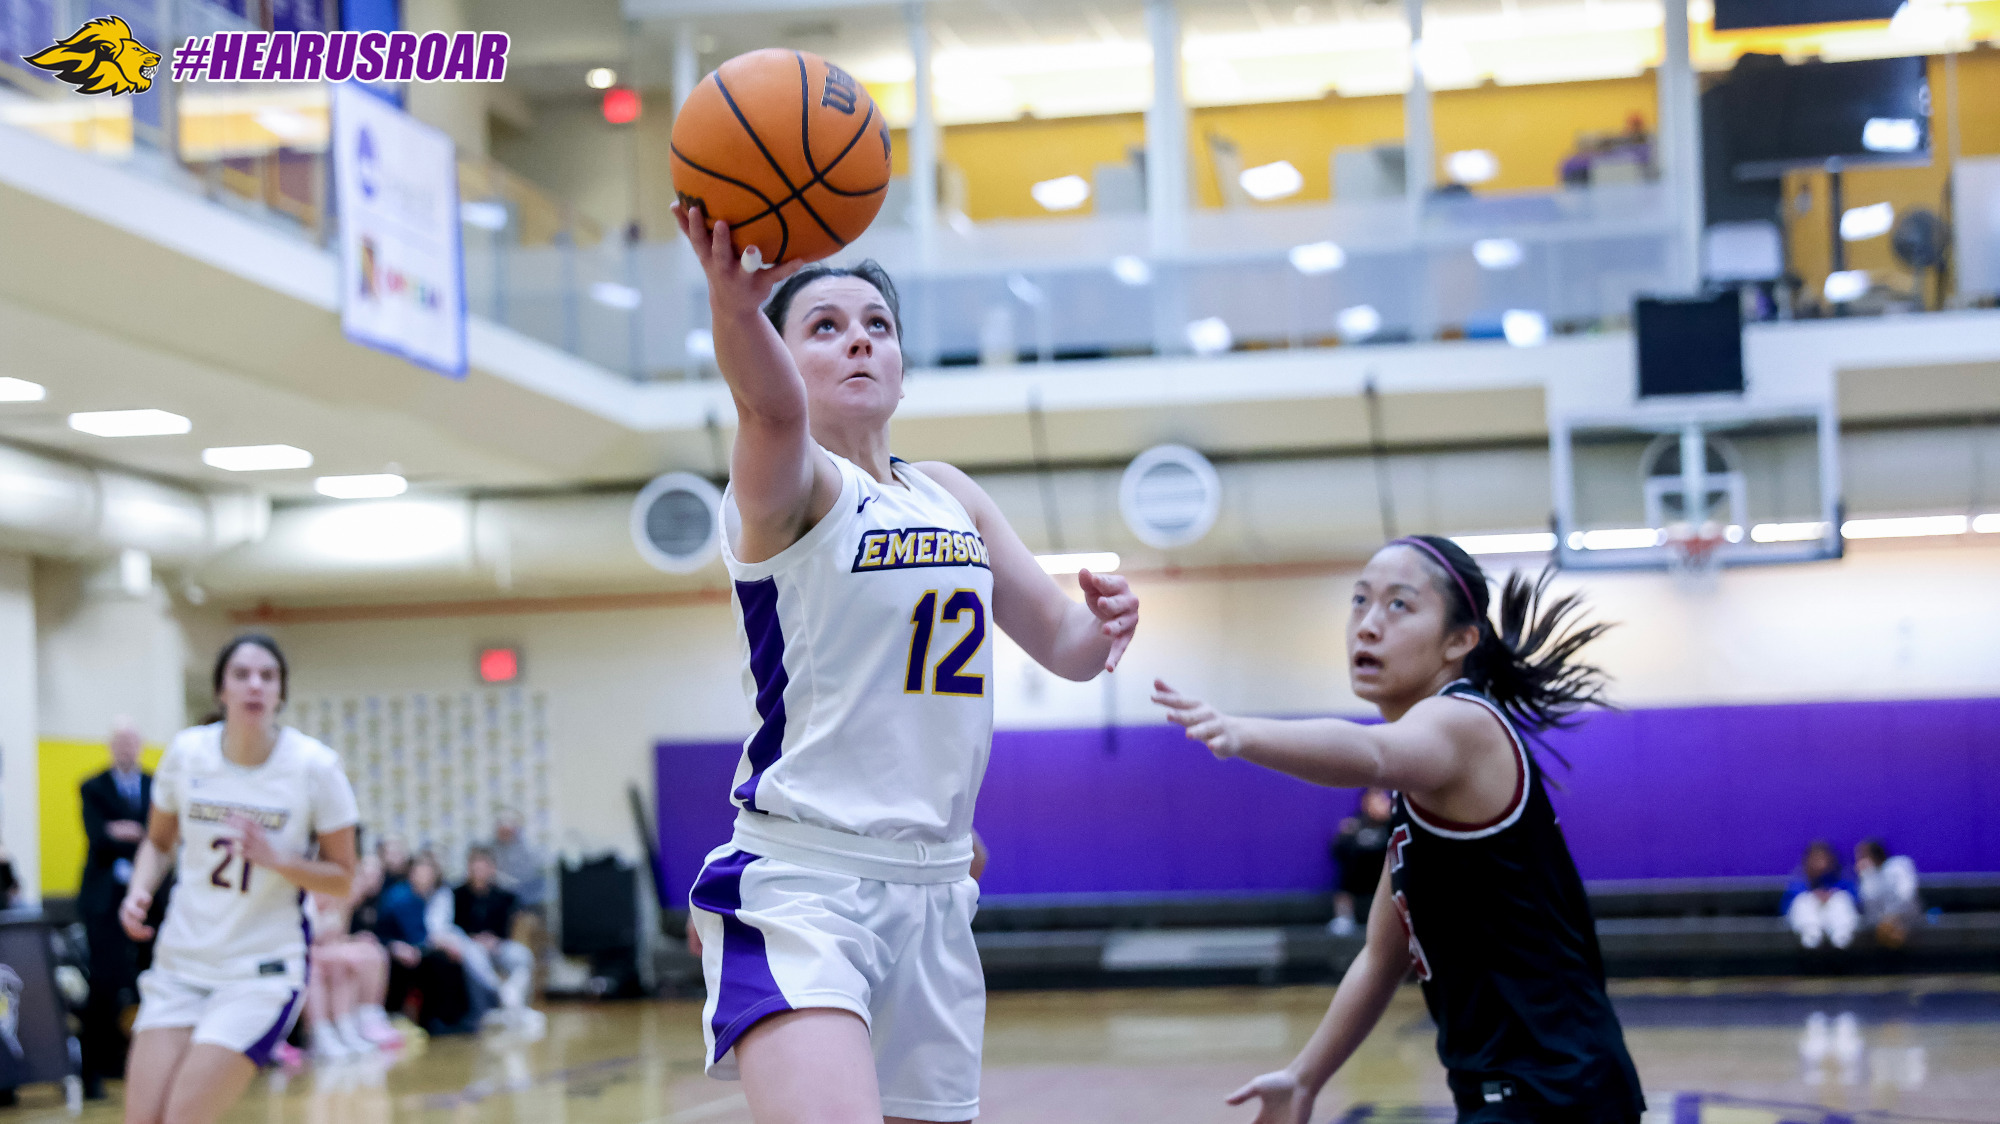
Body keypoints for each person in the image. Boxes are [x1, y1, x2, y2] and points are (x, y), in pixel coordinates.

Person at [673, 201, 1139, 1124]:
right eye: (825, 327)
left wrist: (1108, 623)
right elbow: (768, 406)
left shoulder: (948, 492)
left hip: (936, 894)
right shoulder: (793, 486)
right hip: (802, 883)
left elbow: (1063, 643)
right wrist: (733, 307)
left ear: (902, 367)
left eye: (877, 328)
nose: (858, 342)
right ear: (782, 355)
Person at [1153, 535, 1644, 1124]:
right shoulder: (1423, 794)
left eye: (1398, 605)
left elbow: (1370, 752)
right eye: (1359, 601)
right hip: (1521, 1091)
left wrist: (1241, 732)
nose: (1366, 625)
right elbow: (1381, 959)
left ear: (1460, 641)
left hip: (1556, 1094)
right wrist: (1304, 1078)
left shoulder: (1464, 724)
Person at [117, 635, 360, 1124]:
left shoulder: (315, 767)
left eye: (267, 676)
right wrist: (139, 888)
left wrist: (278, 859)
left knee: (182, 1118)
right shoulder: (187, 753)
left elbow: (343, 878)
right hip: (182, 963)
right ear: (220, 690)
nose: (255, 685)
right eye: (242, 674)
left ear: (280, 694)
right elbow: (158, 843)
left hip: (260, 973)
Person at [79, 720, 154, 1096]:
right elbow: (99, 837)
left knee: (151, 980)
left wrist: (127, 831)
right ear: (111, 746)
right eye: (119, 741)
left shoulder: (154, 786)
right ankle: (94, 1072)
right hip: (104, 902)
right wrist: (131, 835)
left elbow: (158, 837)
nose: (126, 747)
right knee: (104, 983)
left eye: (132, 740)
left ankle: (144, 1065)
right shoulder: (93, 786)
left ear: (139, 745)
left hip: (149, 900)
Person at [374, 855, 475, 1034]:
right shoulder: (401, 897)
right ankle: (434, 1020)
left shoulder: (430, 896)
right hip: (395, 948)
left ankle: (453, 1017)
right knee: (438, 961)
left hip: (414, 947)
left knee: (452, 959)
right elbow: (415, 936)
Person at [441, 847, 538, 1031]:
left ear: (492, 869)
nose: (479, 872)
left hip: (499, 945)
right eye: (475, 867)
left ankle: (516, 1003)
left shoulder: (504, 895)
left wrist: (495, 940)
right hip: (469, 945)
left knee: (521, 955)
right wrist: (474, 939)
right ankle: (484, 1009)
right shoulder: (456, 895)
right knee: (474, 959)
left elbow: (515, 918)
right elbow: (452, 926)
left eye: (483, 867)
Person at [1329, 788, 1393, 936]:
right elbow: (1338, 851)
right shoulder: (1354, 825)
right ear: (1365, 803)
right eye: (1376, 800)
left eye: (1384, 800)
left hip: (1384, 879)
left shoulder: (1394, 825)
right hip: (1358, 881)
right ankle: (1343, 917)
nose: (1383, 804)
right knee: (1350, 865)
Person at [1784, 840, 1860, 951]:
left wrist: (1831, 894)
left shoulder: (1842, 878)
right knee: (1803, 901)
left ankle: (1841, 935)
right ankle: (1811, 934)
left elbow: (1856, 900)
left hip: (1833, 917)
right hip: (1812, 918)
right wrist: (1814, 896)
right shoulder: (1800, 880)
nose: (1819, 862)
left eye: (1822, 858)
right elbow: (1786, 905)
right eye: (1815, 859)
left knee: (1841, 899)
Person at [1854, 839, 1921, 948]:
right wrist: (1865, 876)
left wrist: (1892, 916)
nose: (1859, 860)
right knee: (1882, 929)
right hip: (1880, 920)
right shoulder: (1868, 874)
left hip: (1906, 915)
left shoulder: (1900, 865)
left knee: (1894, 927)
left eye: (1863, 856)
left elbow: (1907, 894)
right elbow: (1868, 901)